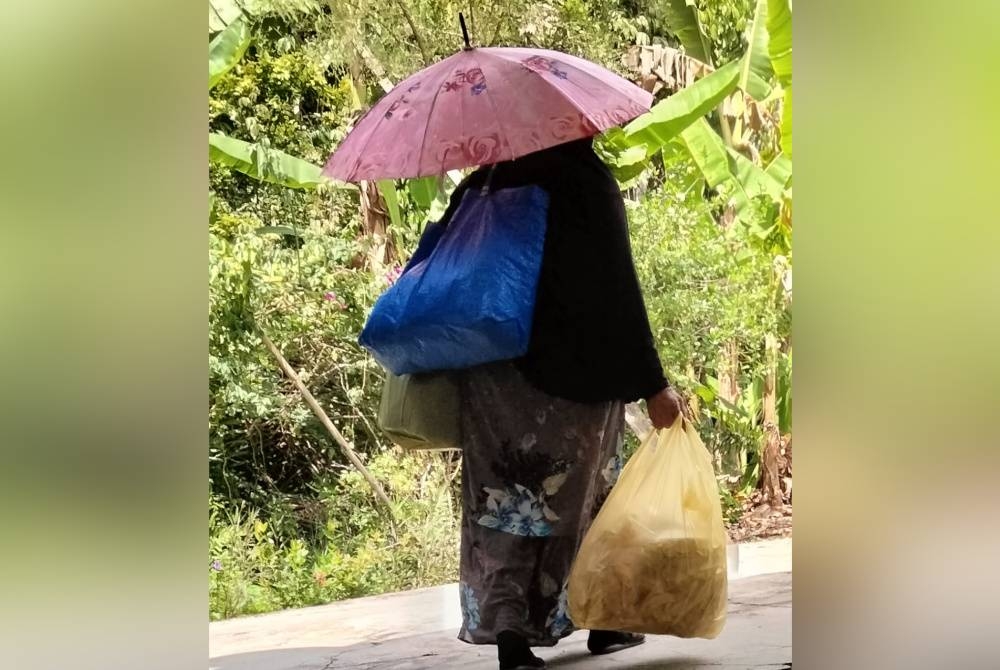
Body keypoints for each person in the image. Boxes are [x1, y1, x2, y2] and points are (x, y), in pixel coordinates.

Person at [441, 137, 685, 670]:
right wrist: (653, 383)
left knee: (503, 502)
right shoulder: (585, 182)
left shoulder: (484, 183)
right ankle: (604, 618)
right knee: (587, 496)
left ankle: (509, 633)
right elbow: (618, 287)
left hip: (491, 374)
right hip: (575, 378)